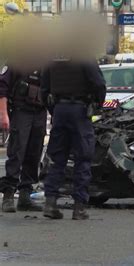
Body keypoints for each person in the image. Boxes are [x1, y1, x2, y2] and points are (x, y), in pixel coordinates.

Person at [41, 58, 106, 220]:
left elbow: (44, 88)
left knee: (57, 158)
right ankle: (79, 207)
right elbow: (98, 84)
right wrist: (97, 105)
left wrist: (54, 109)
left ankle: (50, 203)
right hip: (79, 110)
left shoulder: (53, 57)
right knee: (83, 157)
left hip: (60, 110)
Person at [0, 64, 47, 213]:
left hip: (40, 111)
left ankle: (25, 196)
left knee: (34, 153)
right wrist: (3, 114)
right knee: (17, 152)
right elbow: (2, 88)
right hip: (21, 110)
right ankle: (8, 195)